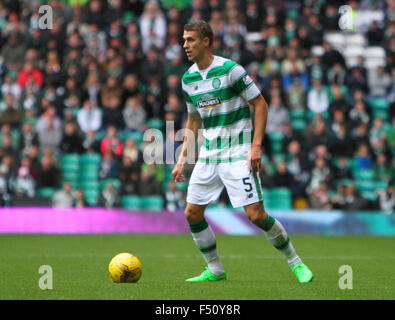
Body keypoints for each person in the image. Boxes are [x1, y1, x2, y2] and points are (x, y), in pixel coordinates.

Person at [172, 21, 313, 283]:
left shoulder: (230, 70)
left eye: (190, 40)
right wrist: (182, 159)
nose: (185, 45)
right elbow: (193, 122)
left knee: (256, 216)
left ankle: (297, 263)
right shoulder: (188, 79)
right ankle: (215, 270)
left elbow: (260, 104)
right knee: (192, 213)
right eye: (184, 40)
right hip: (209, 155)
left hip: (238, 153)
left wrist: (256, 146)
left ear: (206, 41)